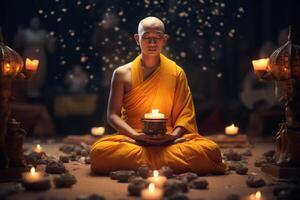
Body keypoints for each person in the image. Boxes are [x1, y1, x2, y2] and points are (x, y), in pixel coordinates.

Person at [90, 17, 226, 174]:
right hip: (133, 139)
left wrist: (172, 136)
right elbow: (112, 115)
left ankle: (145, 164)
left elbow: (185, 113)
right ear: (137, 39)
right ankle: (165, 163)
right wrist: (136, 135)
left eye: (157, 38)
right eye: (147, 38)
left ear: (165, 40)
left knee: (211, 150)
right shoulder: (121, 74)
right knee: (99, 153)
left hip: (168, 139)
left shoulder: (176, 72)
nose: (152, 44)